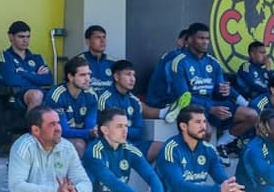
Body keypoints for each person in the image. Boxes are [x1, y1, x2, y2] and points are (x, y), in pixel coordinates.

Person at [172, 22, 257, 157]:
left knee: (252, 116)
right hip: (190, 107)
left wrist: (224, 91)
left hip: (212, 105)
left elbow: (219, 90)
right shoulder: (179, 62)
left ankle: (222, 143)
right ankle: (196, 161)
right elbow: (183, 97)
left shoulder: (213, 63)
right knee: (206, 131)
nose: (205, 42)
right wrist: (210, 108)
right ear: (190, 39)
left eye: (207, 39)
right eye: (201, 38)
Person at [97, 59, 160, 160]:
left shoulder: (135, 101)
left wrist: (120, 129)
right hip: (111, 145)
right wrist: (125, 131)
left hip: (133, 144)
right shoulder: (104, 99)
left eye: (133, 75)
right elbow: (105, 131)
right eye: (128, 74)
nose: (132, 79)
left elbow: (139, 131)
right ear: (116, 77)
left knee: (162, 148)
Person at [0, 20, 53, 115]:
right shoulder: (5, 56)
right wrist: (36, 76)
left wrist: (23, 73)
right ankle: (33, 129)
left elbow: (49, 79)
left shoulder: (37, 58)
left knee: (59, 95)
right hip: (15, 96)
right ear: (11, 37)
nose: (25, 40)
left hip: (40, 91)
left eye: (28, 37)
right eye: (21, 37)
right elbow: (11, 80)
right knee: (36, 95)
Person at [45, 57, 99, 157]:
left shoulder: (91, 95)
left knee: (101, 144)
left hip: (81, 134)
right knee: (79, 145)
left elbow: (90, 126)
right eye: (82, 75)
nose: (88, 79)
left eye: (89, 74)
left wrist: (93, 132)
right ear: (70, 77)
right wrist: (89, 133)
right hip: (54, 137)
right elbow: (62, 131)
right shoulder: (57, 96)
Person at [142, 27, 191, 120]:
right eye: (190, 41)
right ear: (180, 42)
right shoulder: (175, 57)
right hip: (162, 103)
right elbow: (174, 88)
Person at [77, 24, 115, 94]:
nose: (102, 41)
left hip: (109, 104)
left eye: (104, 37)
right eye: (98, 37)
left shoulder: (113, 63)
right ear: (88, 41)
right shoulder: (78, 62)